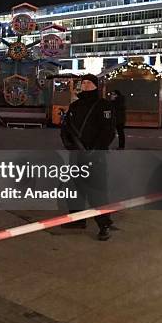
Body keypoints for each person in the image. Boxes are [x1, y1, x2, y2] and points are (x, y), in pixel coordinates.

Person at [60, 74, 115, 241]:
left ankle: (104, 224)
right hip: (76, 154)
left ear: (95, 86)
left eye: (88, 82)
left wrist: (94, 150)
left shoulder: (104, 105)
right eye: (83, 82)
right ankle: (77, 219)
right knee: (74, 188)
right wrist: (69, 145)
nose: (85, 85)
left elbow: (108, 131)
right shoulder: (75, 105)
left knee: (97, 191)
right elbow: (66, 129)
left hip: (95, 156)